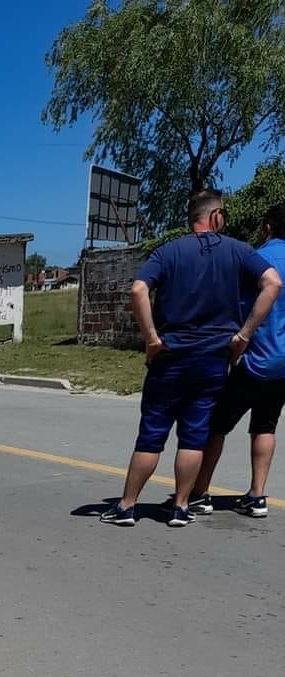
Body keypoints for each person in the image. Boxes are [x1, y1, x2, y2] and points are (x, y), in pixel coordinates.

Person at [100, 190, 281, 529]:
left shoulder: (168, 252)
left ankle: (127, 505)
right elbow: (272, 283)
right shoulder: (240, 252)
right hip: (213, 359)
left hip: (170, 356)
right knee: (194, 435)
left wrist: (151, 339)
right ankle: (181, 506)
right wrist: (243, 335)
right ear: (216, 218)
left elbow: (138, 290)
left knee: (152, 434)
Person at [189, 202, 285, 520]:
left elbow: (234, 304)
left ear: (267, 227)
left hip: (252, 358)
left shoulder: (256, 260)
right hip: (282, 362)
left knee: (217, 425)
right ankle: (257, 496)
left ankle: (199, 492)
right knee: (265, 426)